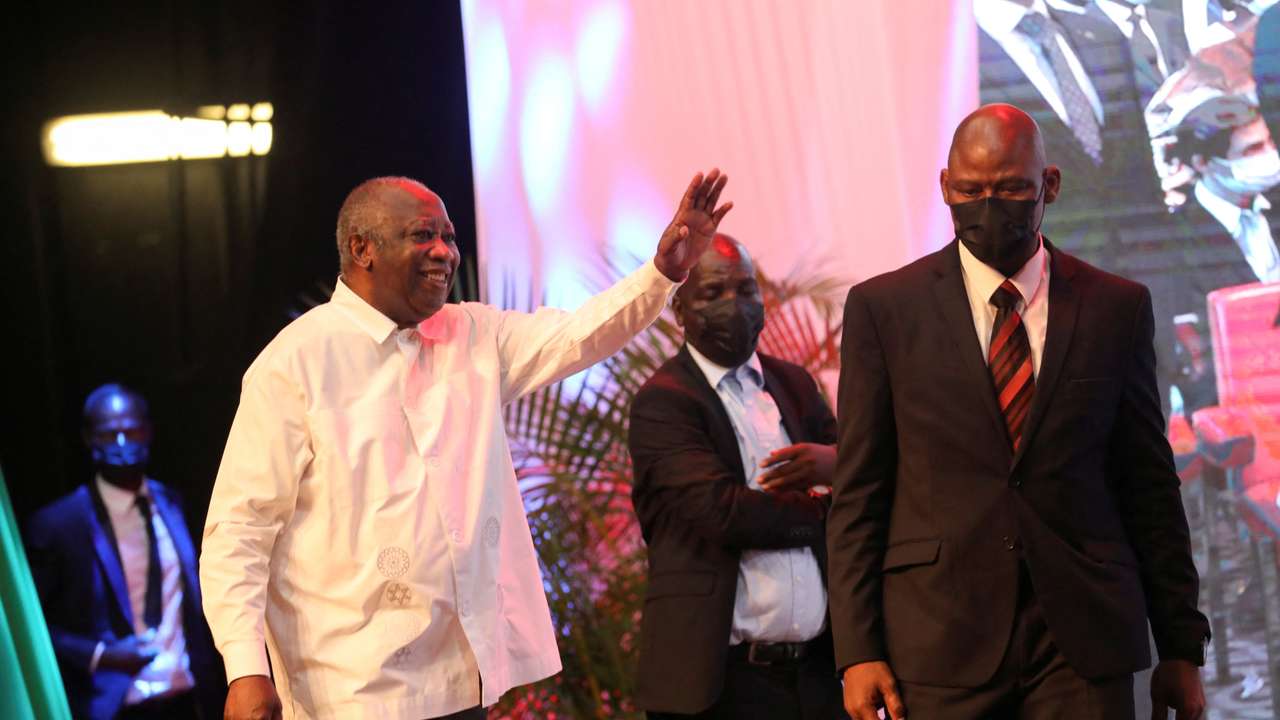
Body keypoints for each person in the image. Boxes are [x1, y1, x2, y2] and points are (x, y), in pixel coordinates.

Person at [200, 171, 733, 720]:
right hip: (348, 692)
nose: (444, 252)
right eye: (422, 235)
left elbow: (578, 335)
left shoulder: (472, 334)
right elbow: (240, 529)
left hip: (460, 682)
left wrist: (662, 274)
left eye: (449, 237)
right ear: (362, 250)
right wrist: (245, 668)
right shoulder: (296, 362)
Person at [828, 104, 1210, 720]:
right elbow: (860, 491)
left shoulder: (1115, 308)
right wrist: (857, 650)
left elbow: (1148, 485)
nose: (987, 206)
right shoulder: (884, 310)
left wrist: (1181, 645)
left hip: (1084, 640)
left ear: (1049, 185)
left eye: (1009, 189)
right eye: (969, 191)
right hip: (938, 635)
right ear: (945, 186)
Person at [628, 235, 846, 720]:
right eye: (714, 292)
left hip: (817, 676)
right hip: (719, 683)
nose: (735, 304)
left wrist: (835, 470)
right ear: (680, 310)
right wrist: (820, 508)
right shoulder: (663, 401)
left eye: (746, 289)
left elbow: (855, 476)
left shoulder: (794, 384)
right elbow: (724, 512)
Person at [25, 383, 225, 719]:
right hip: (113, 705)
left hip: (188, 698)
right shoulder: (60, 525)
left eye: (131, 431)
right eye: (109, 434)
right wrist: (100, 655)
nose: (121, 444)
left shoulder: (172, 503)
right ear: (89, 439)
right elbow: (34, 627)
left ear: (148, 431)